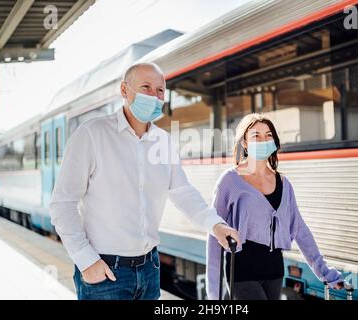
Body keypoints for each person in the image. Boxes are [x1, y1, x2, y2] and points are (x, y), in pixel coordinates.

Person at [49, 62, 239, 300]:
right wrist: (86, 260)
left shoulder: (164, 141)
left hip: (150, 269)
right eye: (146, 87)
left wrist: (215, 224)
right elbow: (63, 203)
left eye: (160, 90)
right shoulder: (92, 134)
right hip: (106, 273)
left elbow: (182, 192)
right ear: (124, 90)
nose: (155, 95)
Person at [206, 113, 344, 300]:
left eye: (268, 135)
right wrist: (213, 294)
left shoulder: (284, 183)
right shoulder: (230, 181)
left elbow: (300, 230)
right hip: (241, 273)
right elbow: (214, 237)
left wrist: (325, 273)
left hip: (274, 271)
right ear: (244, 143)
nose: (263, 140)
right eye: (256, 135)